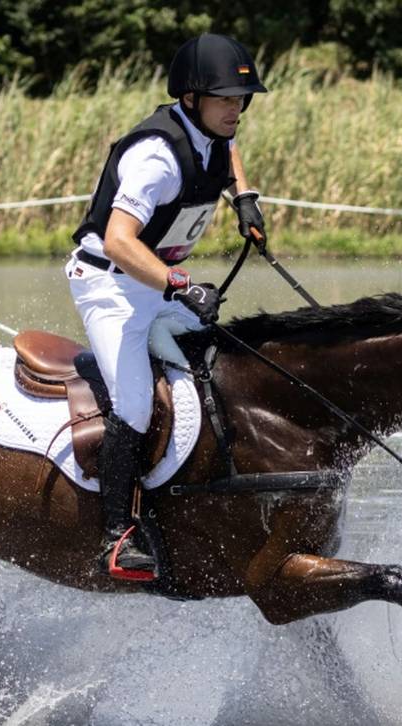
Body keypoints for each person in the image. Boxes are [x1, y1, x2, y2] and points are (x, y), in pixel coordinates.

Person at [65, 33, 268, 581]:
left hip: (151, 282)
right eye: (226, 100)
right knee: (133, 405)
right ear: (192, 98)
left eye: (241, 100)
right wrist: (180, 285)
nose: (236, 110)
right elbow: (119, 242)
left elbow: (228, 151)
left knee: (217, 364)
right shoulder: (156, 157)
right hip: (110, 284)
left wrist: (243, 198)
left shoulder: (213, 131)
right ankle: (117, 536)